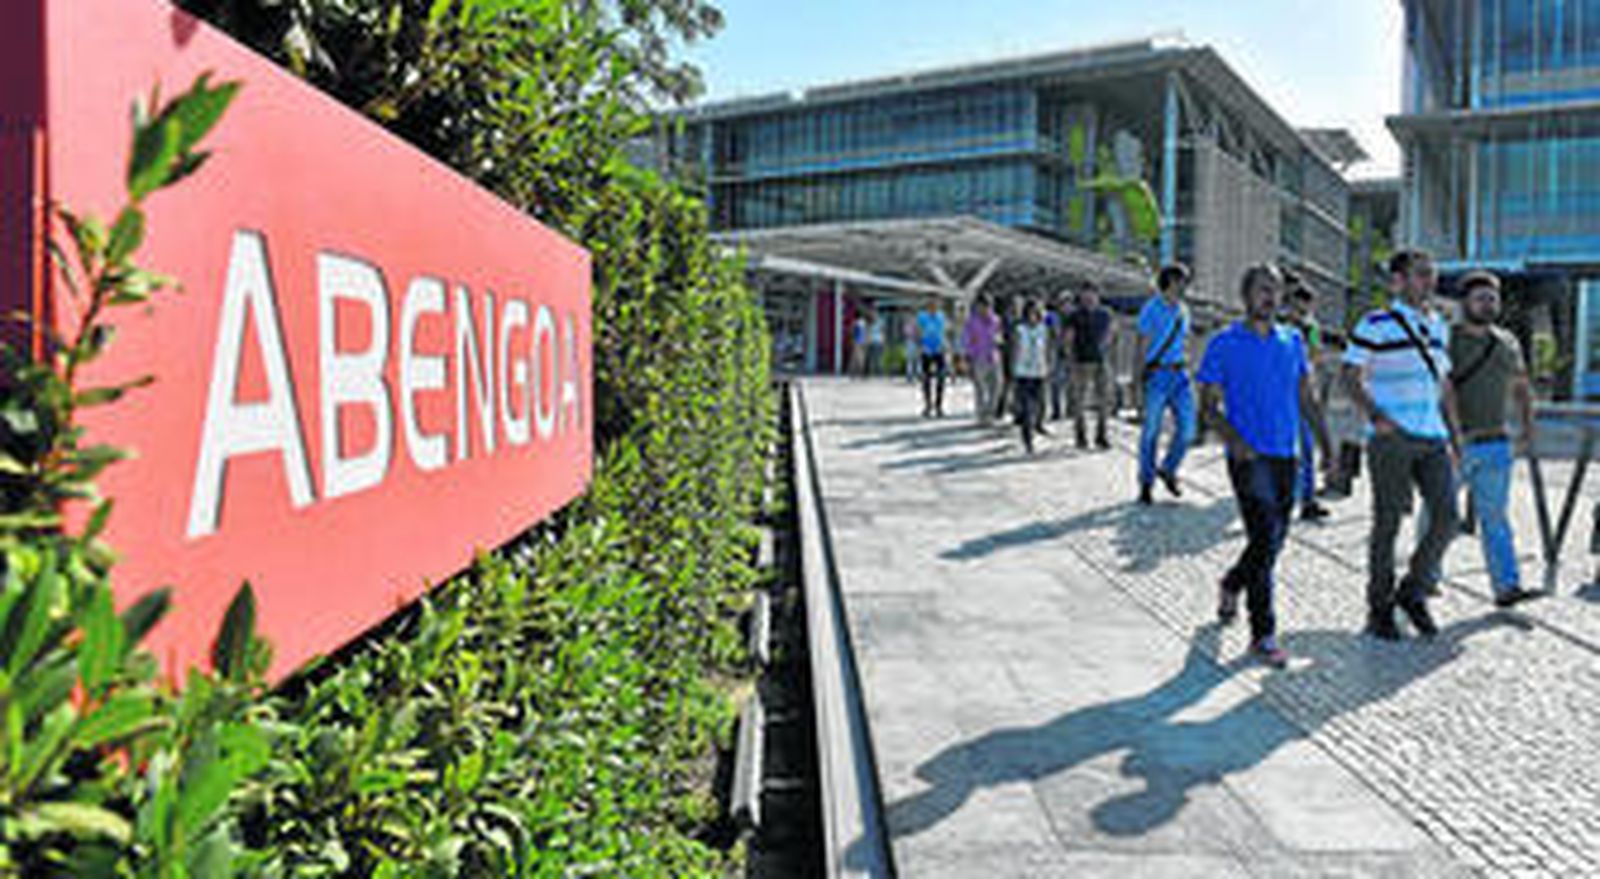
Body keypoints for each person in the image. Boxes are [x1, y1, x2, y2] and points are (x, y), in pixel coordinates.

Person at [1198, 264, 1330, 667]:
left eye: (1275, 290)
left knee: (1272, 540)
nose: (1270, 297)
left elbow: (1306, 398)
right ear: (1245, 295)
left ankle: (1232, 581)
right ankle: (1264, 633)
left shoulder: (1293, 341)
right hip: (1247, 455)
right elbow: (1208, 405)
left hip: (1286, 454)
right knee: (1263, 534)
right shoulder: (1224, 342)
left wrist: (1327, 444)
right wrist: (1232, 439)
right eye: (1262, 290)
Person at [1341, 249, 1462, 640]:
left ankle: (1411, 591)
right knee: (1388, 522)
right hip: (1392, 437)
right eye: (1421, 274)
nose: (1430, 282)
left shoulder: (1438, 324)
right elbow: (1349, 374)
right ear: (1398, 281)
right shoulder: (1375, 323)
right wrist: (1377, 416)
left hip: (1433, 437)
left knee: (1448, 517)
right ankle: (1379, 606)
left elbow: (1443, 385)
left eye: (1432, 274)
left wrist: (1454, 437)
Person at [1447, 270, 1539, 607]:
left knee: (1496, 520)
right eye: (1481, 298)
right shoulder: (1447, 339)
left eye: (1493, 298)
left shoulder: (1508, 341)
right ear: (1465, 303)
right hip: (1454, 444)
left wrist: (1528, 430)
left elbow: (1521, 387)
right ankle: (1423, 581)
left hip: (1496, 443)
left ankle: (1506, 587)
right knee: (1440, 518)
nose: (1488, 304)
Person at [1136, 264, 1196, 505]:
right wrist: (1137, 377)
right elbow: (1142, 344)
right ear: (1170, 282)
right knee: (1150, 431)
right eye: (1182, 282)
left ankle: (1169, 468)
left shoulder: (1184, 310)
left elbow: (1185, 340)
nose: (1185, 287)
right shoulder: (1151, 309)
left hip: (1180, 374)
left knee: (1188, 430)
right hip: (1157, 375)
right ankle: (1146, 482)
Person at [1281, 277, 1332, 522]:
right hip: (1282, 394)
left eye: (1307, 309)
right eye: (1299, 308)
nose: (1303, 313)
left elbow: (1316, 358)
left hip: (1303, 391)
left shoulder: (1310, 328)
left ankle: (1308, 499)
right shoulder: (1279, 328)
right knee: (1287, 448)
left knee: (1307, 447)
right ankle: (1287, 497)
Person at [1065, 281, 1116, 450]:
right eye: (1085, 293)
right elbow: (1068, 339)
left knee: (1104, 400)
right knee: (1079, 401)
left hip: (1101, 361)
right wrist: (1070, 360)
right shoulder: (1074, 315)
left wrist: (1106, 351)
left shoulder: (1105, 314)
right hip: (1080, 361)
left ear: (1097, 295)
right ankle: (1081, 436)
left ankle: (1101, 435)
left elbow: (1111, 334)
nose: (1088, 297)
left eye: (1091, 293)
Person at [1013, 300, 1051, 454]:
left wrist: (1049, 365)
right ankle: (1027, 439)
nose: (1033, 316)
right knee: (1027, 407)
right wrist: (1012, 369)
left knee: (1039, 404)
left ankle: (1036, 426)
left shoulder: (1044, 330)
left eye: (1036, 313)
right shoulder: (1019, 330)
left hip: (1040, 372)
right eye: (1030, 313)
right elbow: (1015, 349)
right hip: (1023, 372)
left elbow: (1047, 349)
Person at [962, 296, 1002, 424]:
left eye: (987, 306)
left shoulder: (995, 320)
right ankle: (981, 415)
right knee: (980, 388)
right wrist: (968, 356)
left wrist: (999, 341)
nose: (985, 309)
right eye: (982, 306)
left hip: (994, 356)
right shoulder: (972, 322)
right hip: (979, 357)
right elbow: (967, 340)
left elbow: (999, 335)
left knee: (997, 386)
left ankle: (990, 411)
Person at [917, 301, 949, 417]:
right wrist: (920, 346)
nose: (933, 307)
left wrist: (945, 346)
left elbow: (944, 331)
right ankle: (928, 405)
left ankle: (939, 405)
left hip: (939, 350)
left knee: (941, 378)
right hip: (926, 350)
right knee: (926, 379)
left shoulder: (941, 316)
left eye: (935, 305)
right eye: (931, 305)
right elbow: (919, 331)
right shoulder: (922, 316)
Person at [867, 307, 886, 376]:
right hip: (872, 342)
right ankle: (873, 372)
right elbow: (868, 332)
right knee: (872, 358)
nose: (872, 315)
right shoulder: (870, 322)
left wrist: (883, 342)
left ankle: (880, 373)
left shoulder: (880, 322)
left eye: (873, 313)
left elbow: (883, 332)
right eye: (871, 314)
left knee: (878, 358)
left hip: (878, 342)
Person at [849, 312, 868, 377]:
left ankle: (854, 373)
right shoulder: (864, 323)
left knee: (855, 358)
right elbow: (865, 332)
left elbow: (852, 332)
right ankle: (860, 372)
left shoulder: (855, 323)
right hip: (863, 341)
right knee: (861, 357)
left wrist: (851, 340)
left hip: (857, 342)